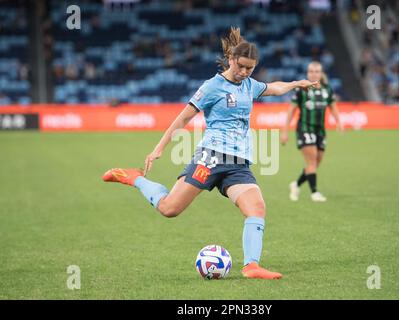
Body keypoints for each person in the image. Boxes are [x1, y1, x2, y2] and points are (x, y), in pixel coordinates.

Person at [102, 27, 319, 279]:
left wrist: (295, 84)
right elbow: (182, 119)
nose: (245, 72)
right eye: (241, 66)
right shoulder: (212, 87)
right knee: (170, 208)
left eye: (250, 68)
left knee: (256, 207)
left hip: (238, 164)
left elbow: (274, 87)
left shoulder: (250, 85)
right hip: (211, 157)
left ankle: (251, 266)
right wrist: (158, 149)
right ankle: (134, 178)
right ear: (231, 60)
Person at [281, 61, 343, 202]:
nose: (314, 74)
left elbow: (333, 106)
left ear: (321, 74)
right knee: (312, 161)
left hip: (320, 130)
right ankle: (314, 192)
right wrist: (284, 131)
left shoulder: (327, 89)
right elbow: (291, 110)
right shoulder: (302, 89)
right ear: (308, 73)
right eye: (311, 71)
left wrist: (339, 122)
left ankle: (296, 184)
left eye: (316, 71)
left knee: (315, 163)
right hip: (304, 128)